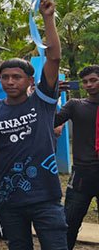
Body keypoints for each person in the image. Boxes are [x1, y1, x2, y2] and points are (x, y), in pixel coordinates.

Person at [0, 0, 67, 250]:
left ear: (30, 81)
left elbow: (54, 59)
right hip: (9, 198)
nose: (10, 82)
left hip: (45, 197)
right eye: (5, 77)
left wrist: (48, 19)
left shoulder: (42, 101)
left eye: (17, 77)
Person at [55, 65, 99, 249]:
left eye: (93, 80)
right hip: (82, 174)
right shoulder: (75, 105)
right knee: (68, 223)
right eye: (85, 82)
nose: (89, 85)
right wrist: (52, 96)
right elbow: (52, 121)